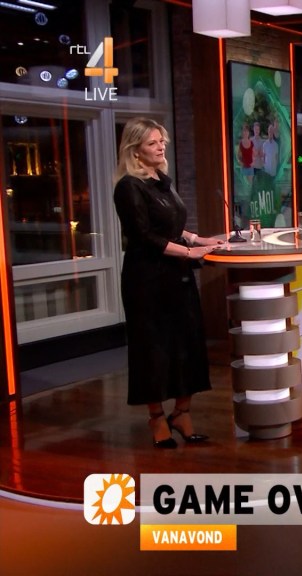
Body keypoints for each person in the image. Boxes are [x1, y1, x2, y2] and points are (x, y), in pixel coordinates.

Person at [112, 118, 222, 448]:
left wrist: (198, 239)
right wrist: (189, 253)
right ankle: (157, 418)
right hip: (147, 280)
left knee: (188, 345)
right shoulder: (128, 187)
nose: (161, 147)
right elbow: (144, 235)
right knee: (154, 350)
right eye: (153, 143)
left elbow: (171, 224)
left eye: (162, 141)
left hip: (177, 277)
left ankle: (182, 413)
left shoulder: (161, 181)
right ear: (135, 150)